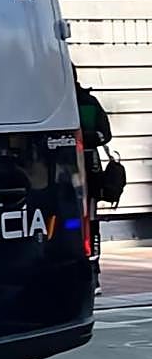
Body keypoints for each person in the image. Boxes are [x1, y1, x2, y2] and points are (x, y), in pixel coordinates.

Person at [74, 66, 112, 292]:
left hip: (85, 170)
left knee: (89, 222)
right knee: (85, 222)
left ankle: (92, 272)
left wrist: (80, 136)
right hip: (76, 171)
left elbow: (105, 134)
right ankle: (90, 272)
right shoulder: (86, 101)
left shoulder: (87, 102)